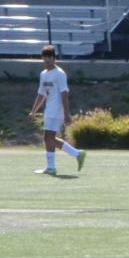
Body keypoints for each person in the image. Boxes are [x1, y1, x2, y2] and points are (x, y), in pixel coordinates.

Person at [27, 44, 87, 175]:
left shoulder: (60, 74)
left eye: (50, 57)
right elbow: (41, 94)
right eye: (45, 57)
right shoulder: (43, 74)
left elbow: (64, 93)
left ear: (54, 59)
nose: (47, 60)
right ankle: (60, 162)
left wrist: (66, 113)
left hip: (57, 109)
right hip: (49, 109)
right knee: (48, 138)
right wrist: (34, 110)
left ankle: (68, 158)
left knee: (48, 137)